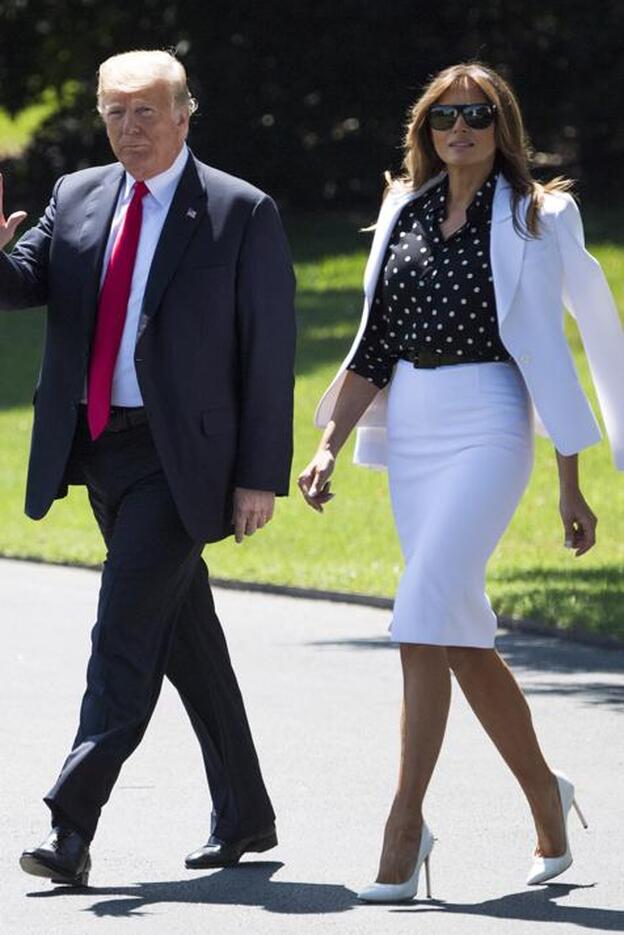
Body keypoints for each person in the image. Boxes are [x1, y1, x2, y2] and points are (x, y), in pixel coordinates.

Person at [299, 61, 624, 902]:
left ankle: (404, 825)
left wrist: (571, 481)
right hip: (413, 423)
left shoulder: (537, 215)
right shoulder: (402, 209)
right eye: (446, 116)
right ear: (426, 128)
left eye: (478, 115)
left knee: (419, 612)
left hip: (490, 413)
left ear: (501, 124)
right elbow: (374, 344)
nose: (461, 128)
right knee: (454, 630)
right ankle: (548, 795)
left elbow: (555, 350)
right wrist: (330, 443)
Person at [1, 49, 296, 886]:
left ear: (183, 113)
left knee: (124, 634)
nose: (128, 129)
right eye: (114, 113)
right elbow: (25, 281)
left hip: (186, 461)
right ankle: (246, 811)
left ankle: (70, 823)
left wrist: (256, 475)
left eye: (145, 112)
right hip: (100, 448)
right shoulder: (77, 194)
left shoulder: (240, 211)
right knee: (185, 639)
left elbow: (269, 355)